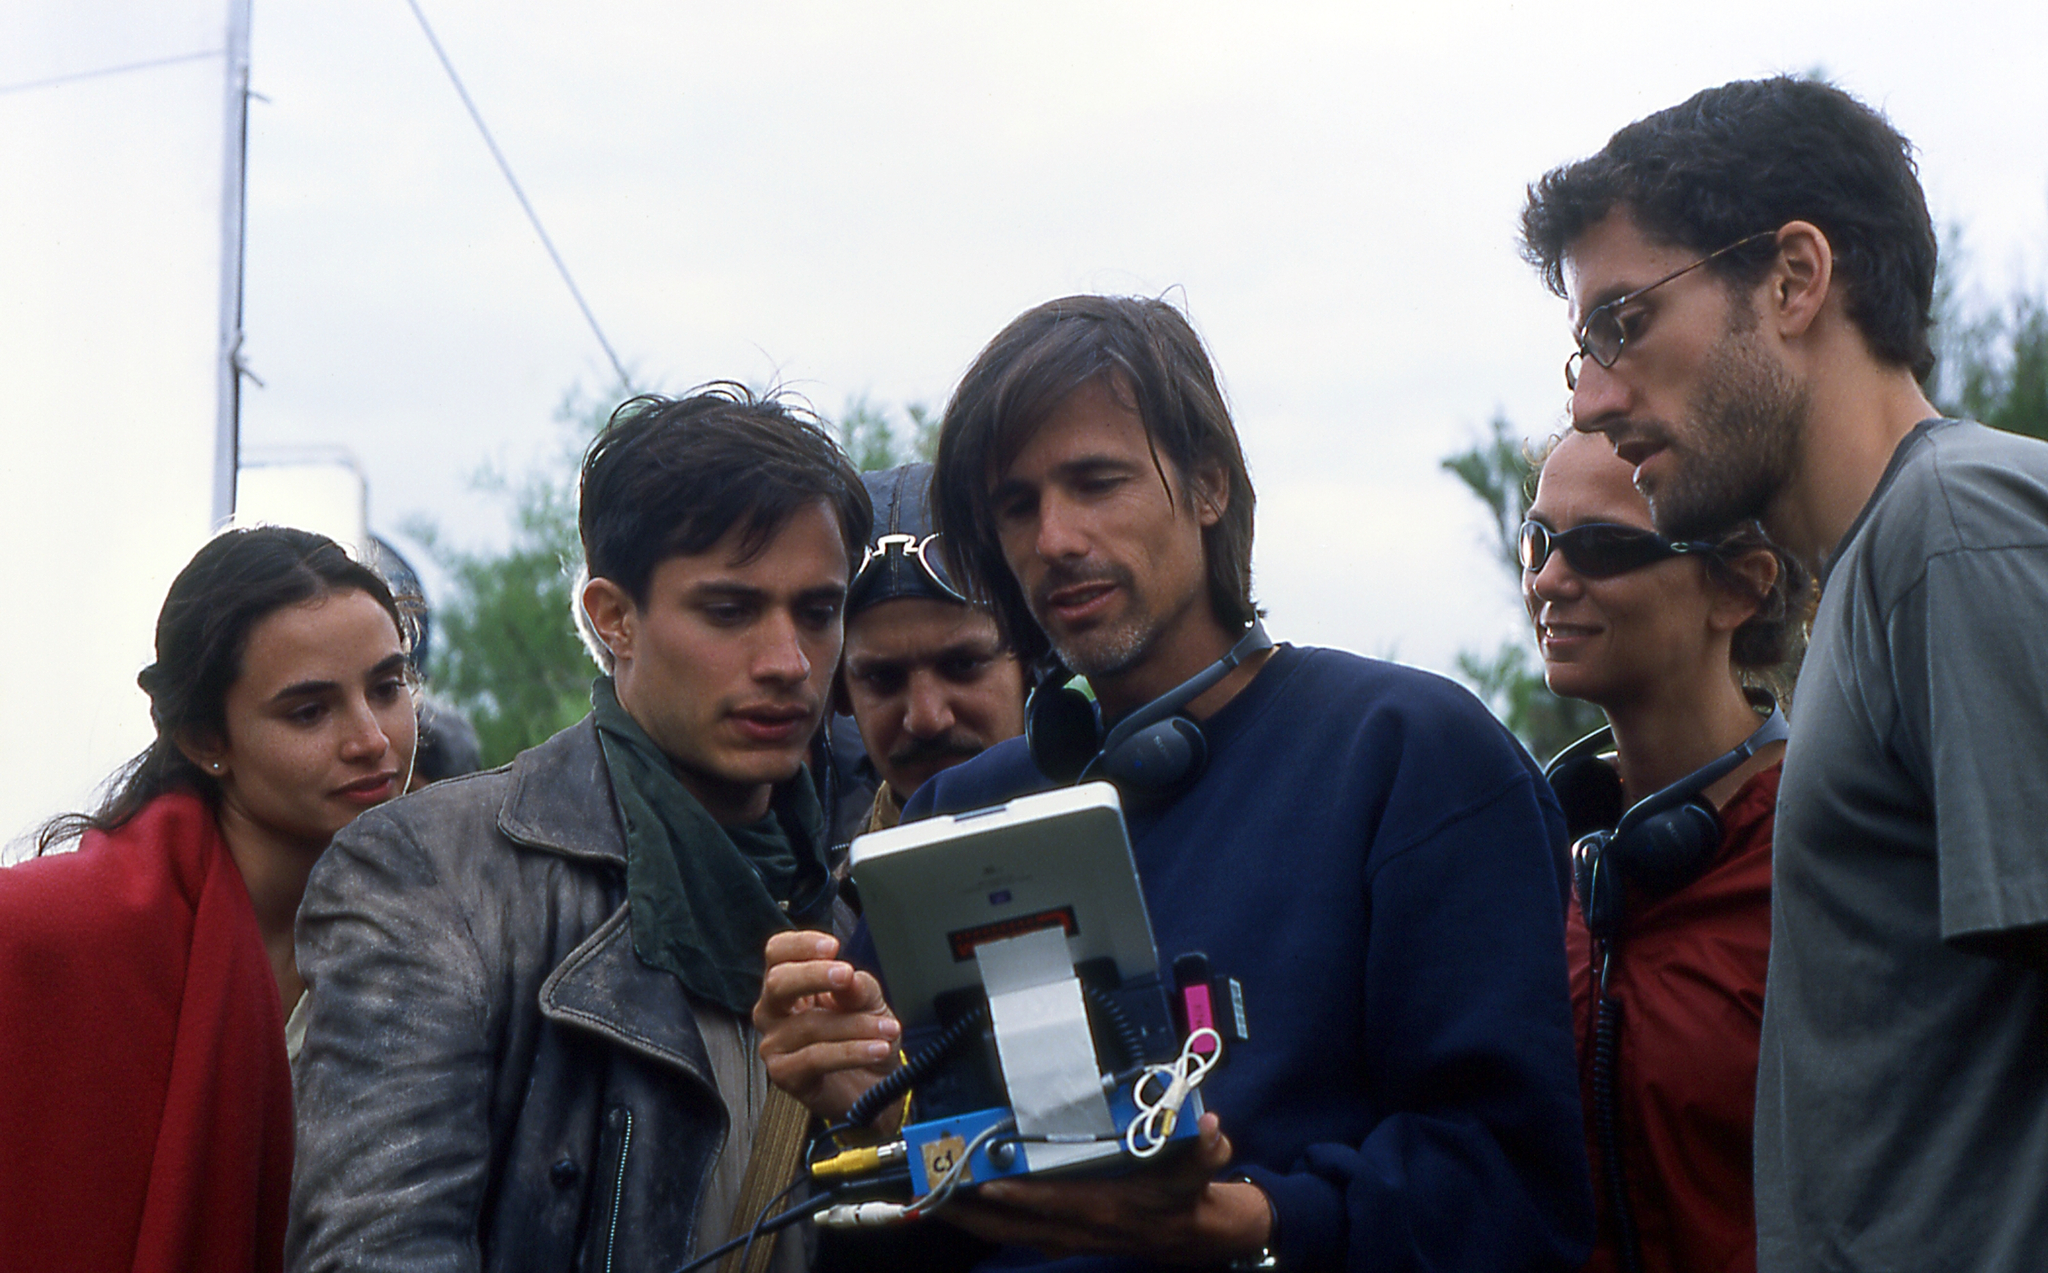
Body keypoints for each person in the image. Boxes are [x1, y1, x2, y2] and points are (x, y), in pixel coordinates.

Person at [755, 295, 1593, 1271]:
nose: (1054, 537)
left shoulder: (1409, 754)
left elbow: (1513, 1192)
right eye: (1017, 504)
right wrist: (855, 1104)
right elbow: (890, 1233)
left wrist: (1255, 1223)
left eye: (1096, 481)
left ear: (1207, 486)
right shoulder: (956, 815)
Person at [1521, 76, 2048, 1271]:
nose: (1595, 401)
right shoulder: (1885, 572)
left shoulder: (1952, 534)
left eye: (1622, 325)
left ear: (1793, 279)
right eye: (1579, 353)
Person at [286, 386, 870, 1273]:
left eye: (818, 612)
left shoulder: (869, 892)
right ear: (613, 617)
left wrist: (884, 1116)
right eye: (729, 610)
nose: (787, 662)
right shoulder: (430, 874)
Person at [0, 525, 416, 1273]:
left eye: (387, 688)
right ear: (201, 738)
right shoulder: (40, 937)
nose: (371, 739)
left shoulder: (452, 936)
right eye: (309, 711)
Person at [1524, 430, 1806, 1273]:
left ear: (1739, 588)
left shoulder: (1822, 850)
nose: (1546, 580)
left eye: (1602, 547)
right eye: (1537, 541)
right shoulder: (1543, 858)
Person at [837, 462, 1027, 840]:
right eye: (882, 678)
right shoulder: (807, 886)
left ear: (1032, 659)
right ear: (839, 693)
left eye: (962, 665)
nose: (926, 718)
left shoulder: (1138, 838)